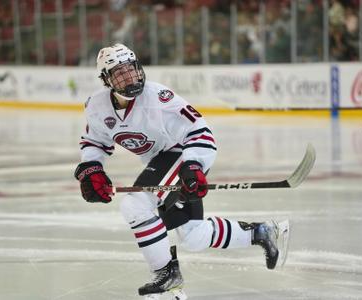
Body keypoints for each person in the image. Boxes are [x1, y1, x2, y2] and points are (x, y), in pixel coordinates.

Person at [74, 43, 288, 299]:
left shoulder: (158, 98)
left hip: (181, 157)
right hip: (160, 163)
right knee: (194, 237)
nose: (129, 77)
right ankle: (262, 232)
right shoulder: (97, 106)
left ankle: (167, 276)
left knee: (135, 206)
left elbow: (200, 131)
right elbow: (94, 142)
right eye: (120, 74)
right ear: (106, 80)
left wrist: (194, 164)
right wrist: (91, 168)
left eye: (131, 70)